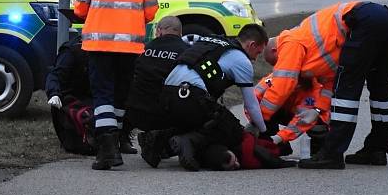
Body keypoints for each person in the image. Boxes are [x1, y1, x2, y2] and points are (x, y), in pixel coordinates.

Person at [260, 2, 388, 169]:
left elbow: (283, 84)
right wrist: (317, 109)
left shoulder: (288, 43)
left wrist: (259, 119)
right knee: (380, 88)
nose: (282, 66)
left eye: (277, 63)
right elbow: (330, 83)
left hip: (362, 19)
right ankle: (377, 149)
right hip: (384, 18)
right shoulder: (317, 49)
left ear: (275, 51)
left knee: (346, 91)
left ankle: (332, 154)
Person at [73, 0, 158, 170]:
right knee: (121, 93)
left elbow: (81, 5)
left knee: (103, 93)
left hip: (99, 42)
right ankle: (119, 138)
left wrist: (86, 13)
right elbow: (151, 9)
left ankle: (107, 148)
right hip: (130, 43)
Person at [158, 24, 269, 171]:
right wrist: (264, 131)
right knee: (232, 130)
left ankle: (158, 143)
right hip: (189, 97)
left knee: (204, 120)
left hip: (167, 96)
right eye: (258, 53)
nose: (256, 59)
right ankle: (188, 141)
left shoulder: (211, 41)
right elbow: (251, 104)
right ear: (252, 44)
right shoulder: (241, 60)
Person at [45, 36, 137, 156]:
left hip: (97, 95)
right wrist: (54, 93)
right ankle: (100, 143)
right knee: (95, 115)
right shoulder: (73, 51)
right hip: (75, 97)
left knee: (126, 101)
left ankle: (120, 138)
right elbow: (56, 75)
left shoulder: (109, 51)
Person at [124, 15, 190, 167]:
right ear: (180, 33)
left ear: (159, 31)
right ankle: (163, 144)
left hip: (135, 113)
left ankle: (121, 139)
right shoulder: (186, 51)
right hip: (166, 116)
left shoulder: (143, 49)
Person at [253, 72, 330, 154]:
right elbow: (252, 101)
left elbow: (303, 121)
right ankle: (275, 145)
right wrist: (255, 123)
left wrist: (280, 137)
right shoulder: (272, 80)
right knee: (261, 112)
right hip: (282, 110)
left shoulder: (312, 90)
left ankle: (319, 150)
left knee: (317, 120)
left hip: (302, 114)